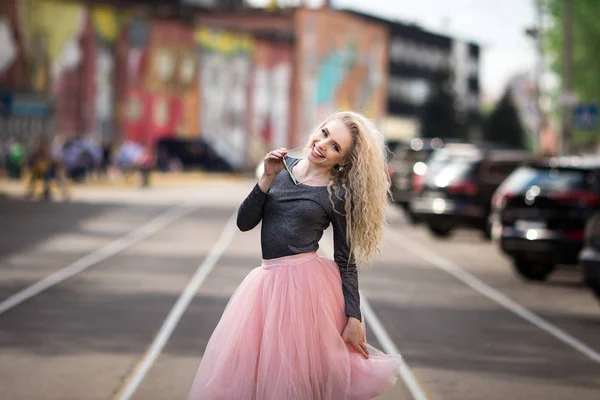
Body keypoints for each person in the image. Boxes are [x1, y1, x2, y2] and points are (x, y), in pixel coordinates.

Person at [187, 111, 402, 400]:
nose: (323, 145)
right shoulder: (281, 168)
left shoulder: (336, 194)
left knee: (295, 380)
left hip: (306, 293)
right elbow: (244, 222)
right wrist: (266, 178)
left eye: (335, 146)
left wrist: (354, 316)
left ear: (344, 161)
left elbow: (345, 260)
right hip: (264, 286)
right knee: (253, 378)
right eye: (325, 133)